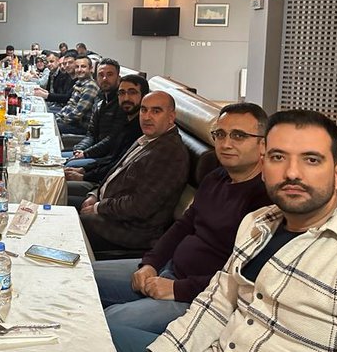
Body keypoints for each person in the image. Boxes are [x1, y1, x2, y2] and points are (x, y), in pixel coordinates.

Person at [127, 110, 337, 352]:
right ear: (264, 167)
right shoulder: (257, 223)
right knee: (101, 337)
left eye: (311, 160)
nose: (292, 173)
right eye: (278, 157)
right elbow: (215, 304)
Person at [95, 103, 271, 339]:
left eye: (238, 136)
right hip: (168, 269)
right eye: (220, 134)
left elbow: (245, 278)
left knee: (106, 324)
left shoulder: (266, 199)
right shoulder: (216, 177)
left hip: (198, 297)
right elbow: (183, 226)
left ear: (263, 144)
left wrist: (177, 289)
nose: (226, 143)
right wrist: (151, 263)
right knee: (82, 275)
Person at [79, 91, 189, 252]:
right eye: (144, 110)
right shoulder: (147, 139)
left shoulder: (169, 153)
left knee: (62, 221)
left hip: (131, 231)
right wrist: (94, 194)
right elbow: (114, 174)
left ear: (171, 117)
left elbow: (140, 207)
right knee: (55, 204)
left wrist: (98, 207)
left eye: (156, 111)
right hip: (110, 209)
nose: (147, 117)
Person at [65, 74, 148, 206]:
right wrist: (84, 169)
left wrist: (85, 175)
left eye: (132, 92)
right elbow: (111, 156)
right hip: (102, 180)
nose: (126, 98)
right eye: (122, 93)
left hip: (107, 190)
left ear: (144, 96)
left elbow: (119, 167)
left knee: (56, 190)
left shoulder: (142, 130)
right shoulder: (125, 120)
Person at [67, 58, 126, 167]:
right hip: (92, 150)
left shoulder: (121, 102)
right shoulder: (99, 97)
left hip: (105, 158)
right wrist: (79, 149)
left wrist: (86, 153)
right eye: (101, 75)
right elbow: (91, 134)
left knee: (68, 165)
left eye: (109, 74)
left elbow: (111, 140)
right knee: (56, 157)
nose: (105, 78)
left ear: (118, 78)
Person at [56, 55, 99, 135]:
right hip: (72, 122)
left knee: (49, 126)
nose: (79, 70)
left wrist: (59, 120)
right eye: (77, 67)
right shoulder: (79, 83)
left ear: (91, 69)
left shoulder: (90, 86)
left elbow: (78, 113)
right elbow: (70, 105)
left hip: (81, 127)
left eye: (83, 66)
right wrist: (58, 116)